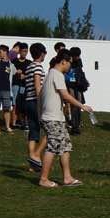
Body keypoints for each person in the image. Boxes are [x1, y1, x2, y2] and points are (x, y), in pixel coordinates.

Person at [38, 51, 88, 188]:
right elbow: (65, 95)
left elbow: (42, 95)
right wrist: (81, 105)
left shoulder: (51, 74)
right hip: (52, 118)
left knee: (65, 146)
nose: (70, 66)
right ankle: (43, 179)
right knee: (53, 147)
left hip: (56, 118)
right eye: (70, 63)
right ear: (63, 61)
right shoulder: (57, 74)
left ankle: (67, 178)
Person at [22, 43, 48, 171]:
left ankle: (32, 163)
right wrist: (41, 102)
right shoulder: (38, 67)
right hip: (35, 102)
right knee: (49, 130)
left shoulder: (29, 67)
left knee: (33, 132)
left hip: (28, 100)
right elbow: (38, 86)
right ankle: (36, 155)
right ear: (42, 53)